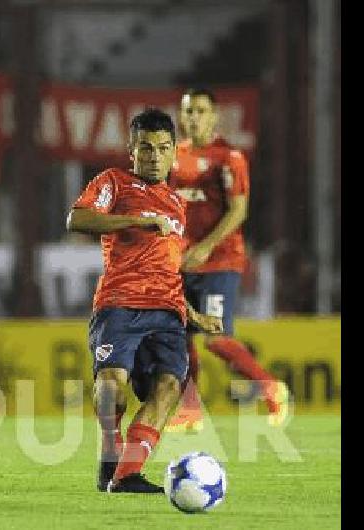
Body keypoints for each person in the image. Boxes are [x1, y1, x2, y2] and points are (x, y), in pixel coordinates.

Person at [67, 108, 222, 494]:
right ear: (131, 150)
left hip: (168, 311)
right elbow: (78, 219)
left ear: (173, 154)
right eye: (146, 148)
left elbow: (167, 269)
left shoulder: (177, 204)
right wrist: (136, 220)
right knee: (111, 384)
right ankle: (108, 454)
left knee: (169, 386)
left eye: (163, 148)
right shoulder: (114, 183)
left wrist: (193, 314)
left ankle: (126, 475)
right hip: (119, 303)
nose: (154, 156)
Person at [166, 88, 288, 432]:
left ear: (214, 116)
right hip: (184, 261)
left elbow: (239, 211)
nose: (193, 118)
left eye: (201, 111)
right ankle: (190, 410)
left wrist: (206, 246)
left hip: (220, 260)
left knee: (216, 338)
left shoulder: (229, 157)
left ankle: (270, 387)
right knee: (180, 337)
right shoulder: (173, 156)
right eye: (188, 111)